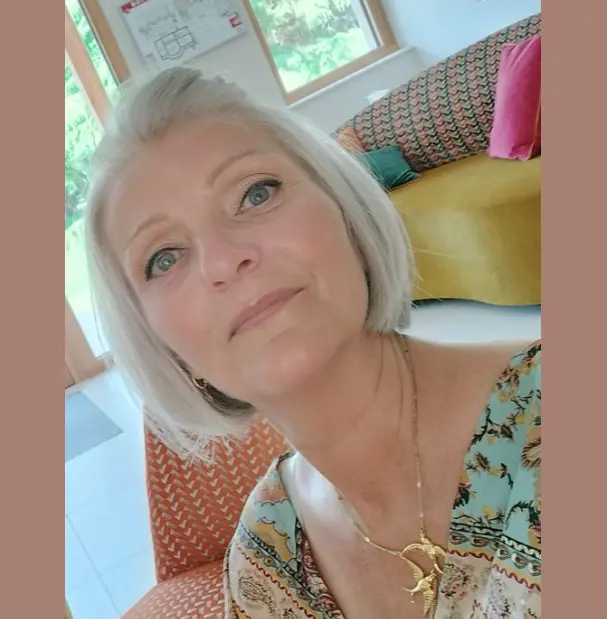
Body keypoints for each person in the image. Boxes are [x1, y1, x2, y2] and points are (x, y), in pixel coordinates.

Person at [85, 67, 541, 619]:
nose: (224, 261)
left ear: (344, 208)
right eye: (164, 258)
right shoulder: (263, 564)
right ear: (163, 347)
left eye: (255, 194)